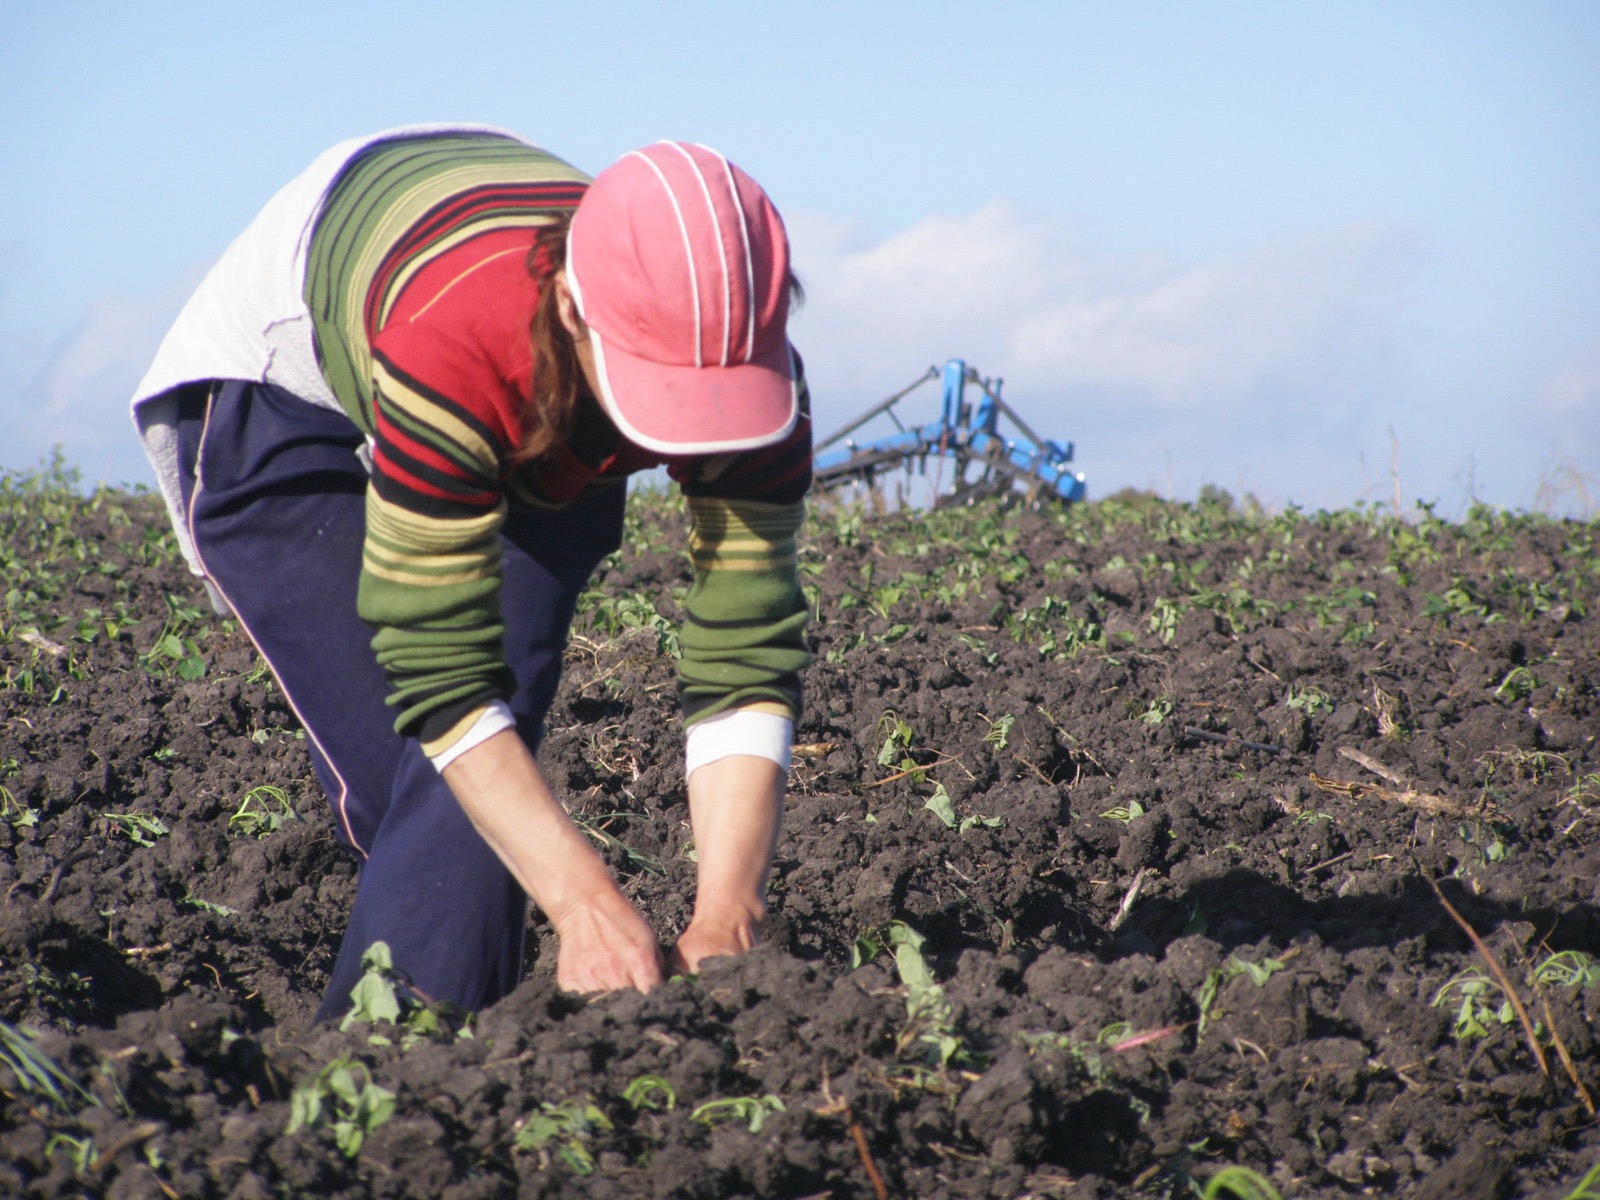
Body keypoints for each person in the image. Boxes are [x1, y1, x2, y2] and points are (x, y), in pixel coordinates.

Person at [128, 126, 812, 1021]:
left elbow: (745, 649)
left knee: (478, 791)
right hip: (288, 396)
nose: (686, 428)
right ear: (573, 309)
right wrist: (580, 902)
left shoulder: (743, 362)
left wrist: (729, 917)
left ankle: (464, 1050)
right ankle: (395, 1084)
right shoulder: (457, 337)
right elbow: (444, 673)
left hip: (529, 388)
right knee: (436, 788)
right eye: (659, 393)